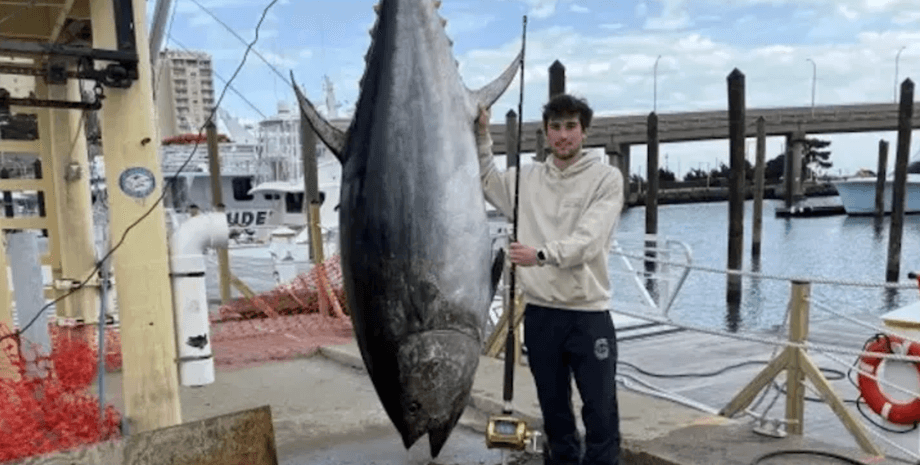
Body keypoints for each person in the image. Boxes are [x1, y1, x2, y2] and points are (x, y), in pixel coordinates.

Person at [476, 93, 624, 465]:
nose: (563, 135)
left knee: (600, 411)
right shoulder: (525, 179)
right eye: (555, 127)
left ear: (584, 132)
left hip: (588, 315)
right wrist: (481, 135)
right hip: (541, 315)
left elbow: (589, 241)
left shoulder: (606, 178)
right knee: (554, 412)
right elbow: (486, 180)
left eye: (571, 126)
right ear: (544, 133)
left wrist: (540, 255)